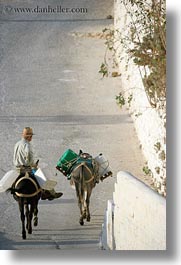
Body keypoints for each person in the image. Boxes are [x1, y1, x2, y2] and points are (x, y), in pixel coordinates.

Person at [13, 127, 63, 200]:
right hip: (27, 169)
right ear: (29, 136)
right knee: (43, 177)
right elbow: (29, 156)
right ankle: (50, 193)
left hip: (17, 169)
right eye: (31, 136)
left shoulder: (17, 144)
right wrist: (32, 165)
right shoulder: (27, 145)